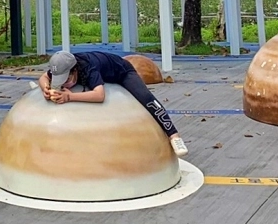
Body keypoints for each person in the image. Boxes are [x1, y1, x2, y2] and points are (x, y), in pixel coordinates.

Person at [37, 50, 189, 157]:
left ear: (75, 70)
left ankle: (174, 136)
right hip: (102, 71)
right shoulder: (60, 66)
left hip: (122, 72)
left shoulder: (89, 68)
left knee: (146, 98)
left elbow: (99, 95)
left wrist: (70, 97)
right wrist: (46, 88)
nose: (65, 83)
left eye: (67, 79)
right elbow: (43, 77)